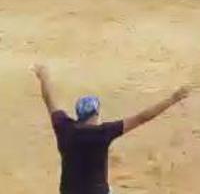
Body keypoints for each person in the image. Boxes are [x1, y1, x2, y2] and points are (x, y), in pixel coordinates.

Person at [32, 64, 189, 194]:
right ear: (96, 113)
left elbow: (50, 101)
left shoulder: (64, 127)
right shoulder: (103, 133)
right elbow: (142, 118)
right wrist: (173, 99)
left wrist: (43, 78)